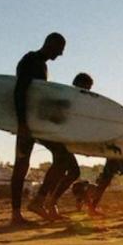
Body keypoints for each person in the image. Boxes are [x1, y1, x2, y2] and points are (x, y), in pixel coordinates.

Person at [9, 32, 67, 225]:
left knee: (62, 158)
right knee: (21, 166)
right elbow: (20, 92)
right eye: (59, 50)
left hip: (39, 124)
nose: (60, 55)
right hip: (27, 123)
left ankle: (38, 202)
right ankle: (16, 215)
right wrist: (22, 124)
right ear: (50, 44)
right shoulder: (30, 60)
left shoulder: (42, 64)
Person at [28, 72, 93, 219]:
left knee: (73, 171)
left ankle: (50, 204)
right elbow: (53, 115)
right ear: (79, 84)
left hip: (55, 135)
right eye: (87, 88)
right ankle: (41, 201)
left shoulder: (76, 101)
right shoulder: (67, 97)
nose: (87, 92)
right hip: (48, 133)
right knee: (62, 163)